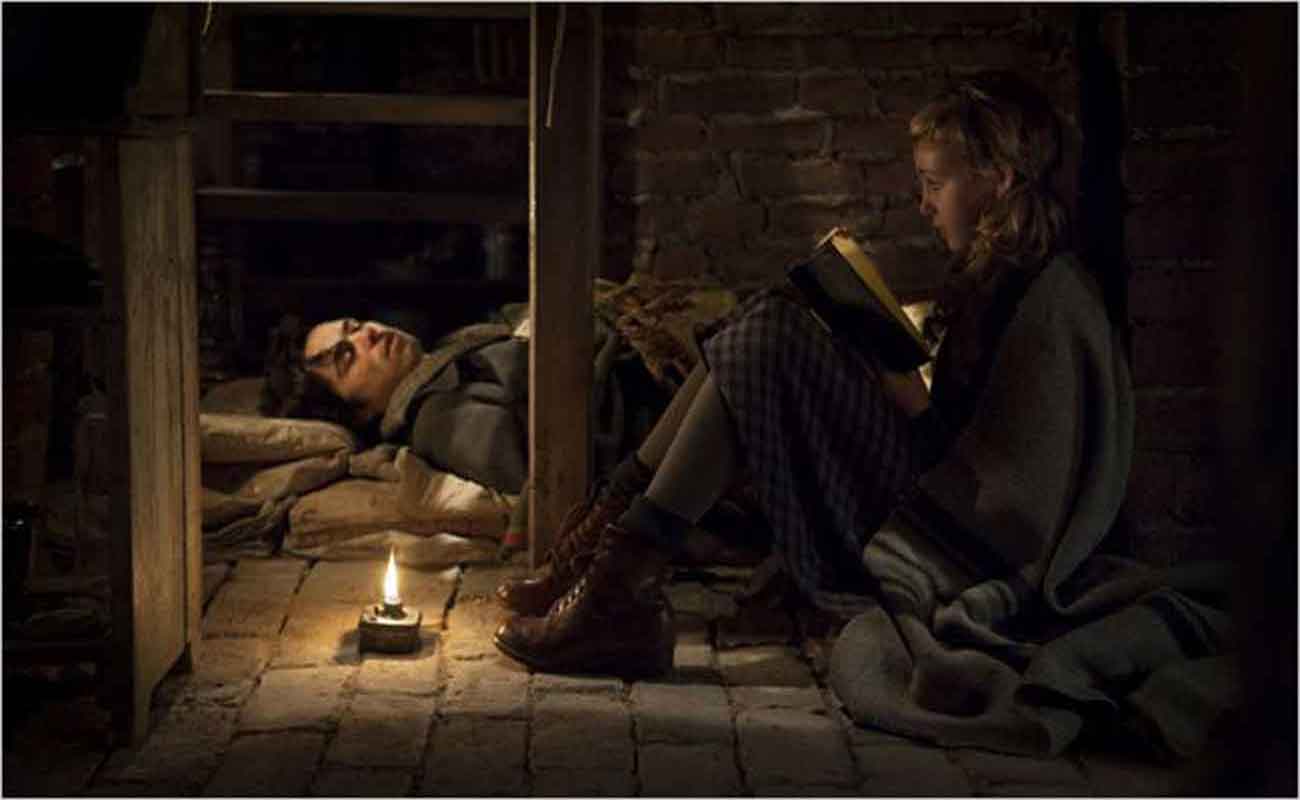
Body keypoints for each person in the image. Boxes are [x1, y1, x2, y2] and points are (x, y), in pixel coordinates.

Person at [491, 70, 1109, 678]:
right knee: (766, 317)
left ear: (998, 180)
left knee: (767, 339)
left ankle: (620, 585)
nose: (924, 205)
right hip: (922, 479)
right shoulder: (996, 275)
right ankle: (608, 556)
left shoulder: (1049, 303)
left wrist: (909, 400)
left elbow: (1004, 501)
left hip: (950, 540)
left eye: (934, 184)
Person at [262, 314, 532, 495]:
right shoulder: (436, 422)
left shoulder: (450, 348)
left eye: (355, 326)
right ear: (360, 414)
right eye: (346, 357)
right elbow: (543, 464)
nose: (368, 334)